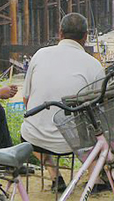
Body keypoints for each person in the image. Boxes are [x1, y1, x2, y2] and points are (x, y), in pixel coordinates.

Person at [21, 13, 105, 192]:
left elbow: (26, 99)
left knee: (28, 132)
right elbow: (97, 108)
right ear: (85, 36)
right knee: (91, 128)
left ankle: (55, 175)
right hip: (72, 143)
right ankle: (95, 178)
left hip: (35, 138)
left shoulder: (40, 55)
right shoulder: (94, 65)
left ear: (60, 33)